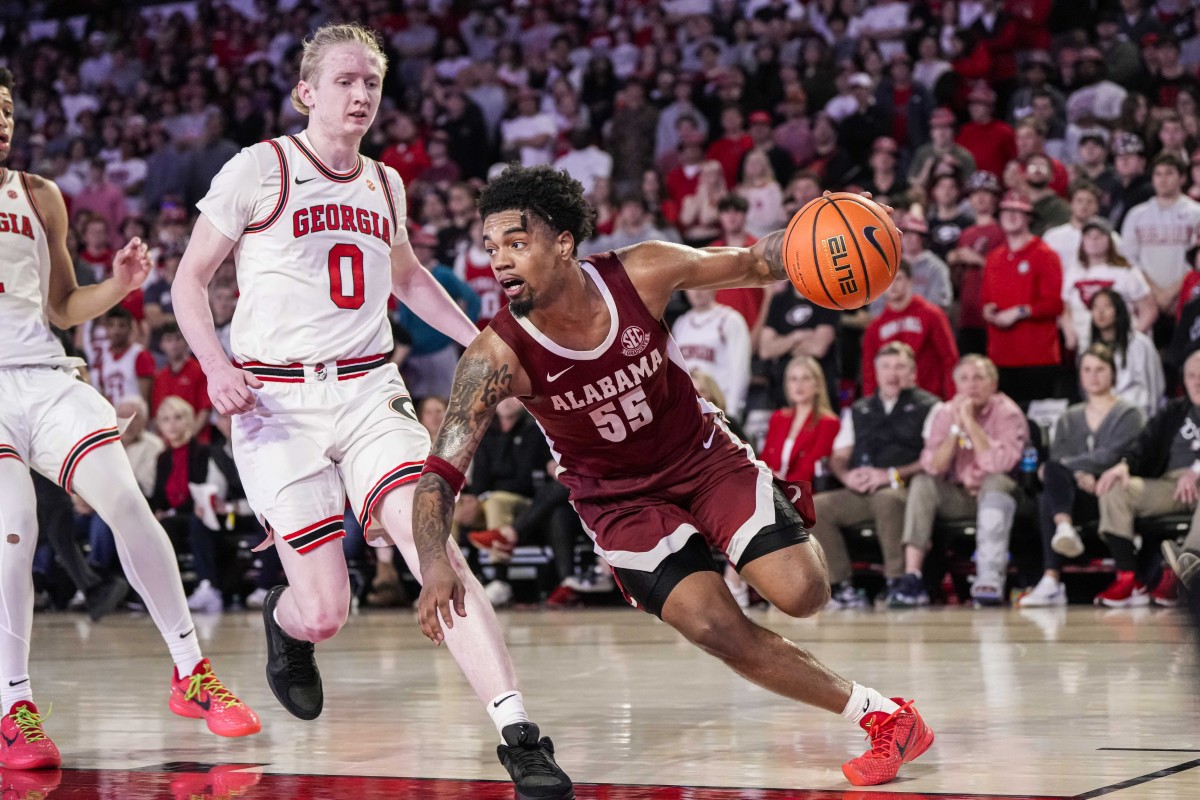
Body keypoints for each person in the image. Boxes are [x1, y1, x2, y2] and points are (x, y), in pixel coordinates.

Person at [411, 164, 934, 788]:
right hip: (619, 501)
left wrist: (832, 226)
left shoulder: (642, 271)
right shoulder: (495, 355)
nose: (499, 260)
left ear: (563, 243)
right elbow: (441, 469)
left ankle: (766, 529)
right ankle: (885, 717)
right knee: (715, 626)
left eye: (517, 243)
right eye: (492, 247)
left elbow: (757, 262)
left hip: (703, 457)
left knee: (802, 593)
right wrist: (433, 559)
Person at [169, 24, 571, 797]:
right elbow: (190, 282)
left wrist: (488, 341)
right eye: (346, 81)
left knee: (434, 548)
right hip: (273, 400)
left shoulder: (385, 182)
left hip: (366, 390)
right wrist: (213, 366)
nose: (361, 95)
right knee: (324, 610)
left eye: (372, 84)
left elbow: (410, 279)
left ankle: (519, 734)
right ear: (307, 91)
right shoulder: (259, 167)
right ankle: (288, 629)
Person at [0, 67, 259, 771]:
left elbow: (60, 308)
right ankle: (12, 706)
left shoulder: (38, 194)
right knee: (15, 529)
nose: (3, 121)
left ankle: (190, 674)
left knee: (127, 504)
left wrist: (117, 285)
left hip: (45, 377)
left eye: (7, 109)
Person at [891, 355, 1027, 608]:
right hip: (960, 495)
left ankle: (989, 575)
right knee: (922, 482)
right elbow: (933, 465)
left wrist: (971, 424)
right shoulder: (945, 412)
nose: (971, 385)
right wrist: (956, 428)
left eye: (979, 378)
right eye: (964, 379)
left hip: (1001, 493)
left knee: (995, 481)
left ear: (993, 383)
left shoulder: (1007, 412)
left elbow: (998, 465)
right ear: (955, 385)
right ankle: (912, 575)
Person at [812, 343, 940, 609]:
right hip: (860, 490)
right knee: (816, 506)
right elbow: (839, 455)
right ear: (876, 372)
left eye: (900, 366)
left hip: (907, 488)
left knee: (887, 499)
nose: (892, 373)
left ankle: (898, 581)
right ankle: (840, 586)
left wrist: (891, 474)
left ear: (913, 372)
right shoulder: (859, 409)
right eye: (886, 367)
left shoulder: (931, 407)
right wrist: (846, 476)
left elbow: (933, 459)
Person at [1019, 344, 1145, 607]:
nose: (1093, 375)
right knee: (1046, 491)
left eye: (1100, 369)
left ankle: (1063, 537)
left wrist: (1075, 470)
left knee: (1053, 473)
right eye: (1087, 369)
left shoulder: (1129, 413)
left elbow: (1111, 455)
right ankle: (1051, 579)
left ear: (1113, 373)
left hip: (1112, 490)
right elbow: (1058, 457)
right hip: (1077, 495)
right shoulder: (1068, 417)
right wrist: (1077, 476)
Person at [1093, 349, 1200, 607]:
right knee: (1116, 488)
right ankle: (1129, 578)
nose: (1197, 381)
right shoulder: (1174, 411)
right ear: (1183, 380)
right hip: (1170, 486)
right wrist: (1124, 466)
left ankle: (1186, 567)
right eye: (1191, 375)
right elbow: (1145, 443)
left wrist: (1195, 472)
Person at [981, 191, 1064, 408]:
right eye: (1007, 210)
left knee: (1036, 425)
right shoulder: (994, 258)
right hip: (1000, 357)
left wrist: (1019, 312)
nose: (1011, 215)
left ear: (1029, 217)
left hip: (1036, 358)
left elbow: (1054, 304)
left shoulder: (1045, 254)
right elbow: (987, 300)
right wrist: (988, 311)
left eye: (1019, 211)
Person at [861, 261, 958, 401]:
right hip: (893, 406)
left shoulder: (932, 315)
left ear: (910, 281)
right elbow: (869, 374)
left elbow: (949, 360)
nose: (892, 285)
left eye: (898, 278)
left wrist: (951, 400)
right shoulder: (874, 328)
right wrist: (873, 407)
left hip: (931, 400)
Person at [1060, 217, 1154, 353]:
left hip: (1121, 346)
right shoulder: (1073, 272)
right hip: (1085, 346)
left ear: (1110, 240)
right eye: (1089, 236)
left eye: (1099, 236)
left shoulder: (1126, 272)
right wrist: (1069, 333)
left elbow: (1149, 310)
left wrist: (1133, 338)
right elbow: (1065, 308)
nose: (1093, 240)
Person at [1121, 153, 1200, 313]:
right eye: (1158, 174)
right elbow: (1128, 258)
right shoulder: (1136, 215)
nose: (1163, 179)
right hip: (1145, 299)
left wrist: (1171, 293)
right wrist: (1153, 292)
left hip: (1186, 297)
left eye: (1169, 173)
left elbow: (1196, 261)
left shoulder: (1196, 213)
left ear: (1182, 178)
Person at [672, 288, 752, 421]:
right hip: (687, 410)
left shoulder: (730, 319)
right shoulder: (681, 323)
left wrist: (731, 413)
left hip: (718, 407)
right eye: (691, 287)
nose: (697, 292)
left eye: (702, 286)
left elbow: (740, 371)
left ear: (715, 287)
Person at [759, 356, 840, 484]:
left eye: (806, 378)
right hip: (771, 490)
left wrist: (781, 484)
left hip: (802, 494)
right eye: (793, 379)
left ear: (818, 385)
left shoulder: (828, 423)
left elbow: (810, 469)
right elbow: (764, 461)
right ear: (787, 385)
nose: (799, 384)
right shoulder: (778, 418)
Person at [1090, 289, 1165, 420]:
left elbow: (1154, 385)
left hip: (1138, 415)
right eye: (1095, 307)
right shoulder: (1090, 348)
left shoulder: (1139, 344)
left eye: (1107, 306)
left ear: (1118, 311)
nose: (1100, 312)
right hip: (1102, 417)